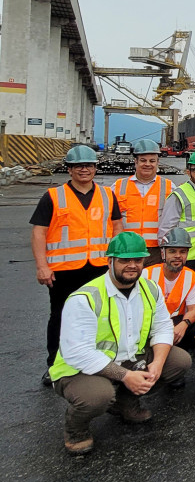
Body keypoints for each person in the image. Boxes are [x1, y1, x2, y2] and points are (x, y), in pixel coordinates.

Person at [50, 232, 191, 455]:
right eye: (125, 260)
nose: (132, 266)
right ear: (110, 261)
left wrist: (157, 364)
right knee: (98, 396)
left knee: (179, 361)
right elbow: (78, 353)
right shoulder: (85, 298)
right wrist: (126, 376)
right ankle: (76, 429)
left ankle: (125, 404)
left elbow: (163, 327)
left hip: (129, 359)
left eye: (137, 260)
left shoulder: (150, 289)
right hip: (80, 370)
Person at [31, 145, 123, 387]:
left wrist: (116, 263)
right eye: (79, 166)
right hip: (63, 270)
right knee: (60, 316)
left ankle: (97, 361)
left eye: (89, 165)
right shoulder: (53, 196)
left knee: (100, 316)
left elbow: (117, 228)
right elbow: (39, 233)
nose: (85, 169)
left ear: (95, 168)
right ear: (69, 169)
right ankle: (55, 365)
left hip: (99, 268)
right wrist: (42, 266)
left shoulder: (107, 195)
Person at [158, 149, 195, 305]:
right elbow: (166, 230)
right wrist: (169, 258)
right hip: (189, 259)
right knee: (185, 299)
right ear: (188, 171)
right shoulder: (179, 194)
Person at [114, 139, 173, 267]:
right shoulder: (118, 187)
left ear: (158, 162)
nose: (148, 164)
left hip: (156, 251)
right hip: (127, 249)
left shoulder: (169, 187)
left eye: (152, 161)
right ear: (135, 162)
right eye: (143, 160)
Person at [142, 227, 195, 351]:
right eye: (172, 251)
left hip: (176, 322)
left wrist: (183, 325)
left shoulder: (192, 276)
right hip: (151, 323)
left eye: (182, 252)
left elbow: (194, 310)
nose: (178, 256)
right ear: (163, 253)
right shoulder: (147, 274)